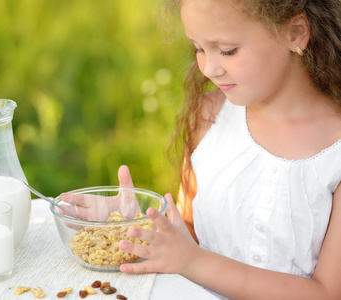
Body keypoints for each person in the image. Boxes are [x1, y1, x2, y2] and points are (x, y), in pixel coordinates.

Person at [66, 0, 341, 298]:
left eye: (227, 50)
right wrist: (137, 226)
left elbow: (327, 292)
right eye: (198, 48)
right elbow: (189, 235)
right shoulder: (209, 116)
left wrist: (195, 261)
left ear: (295, 33)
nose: (209, 68)